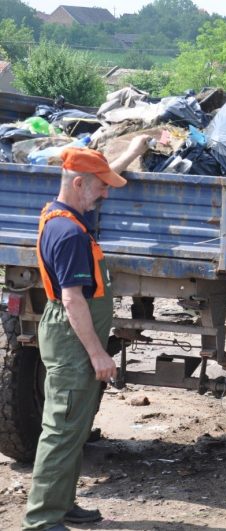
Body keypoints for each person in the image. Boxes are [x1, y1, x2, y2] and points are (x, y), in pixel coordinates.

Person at [23, 137, 151, 531]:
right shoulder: (70, 234)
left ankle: (62, 505)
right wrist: (98, 354)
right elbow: (73, 299)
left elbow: (104, 173)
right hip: (72, 338)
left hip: (69, 334)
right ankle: (42, 519)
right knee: (61, 429)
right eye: (100, 185)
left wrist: (135, 148)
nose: (105, 192)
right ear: (79, 184)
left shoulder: (64, 216)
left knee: (75, 424)